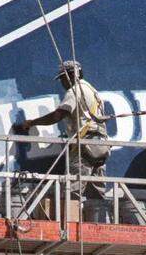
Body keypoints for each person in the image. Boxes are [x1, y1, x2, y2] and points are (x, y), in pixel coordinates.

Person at [11, 60, 109, 203]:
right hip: (101, 146)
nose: (62, 83)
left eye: (63, 78)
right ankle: (98, 221)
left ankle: (71, 221)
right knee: (96, 192)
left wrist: (32, 123)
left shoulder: (75, 90)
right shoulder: (93, 91)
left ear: (70, 75)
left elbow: (57, 115)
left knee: (72, 190)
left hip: (85, 147)